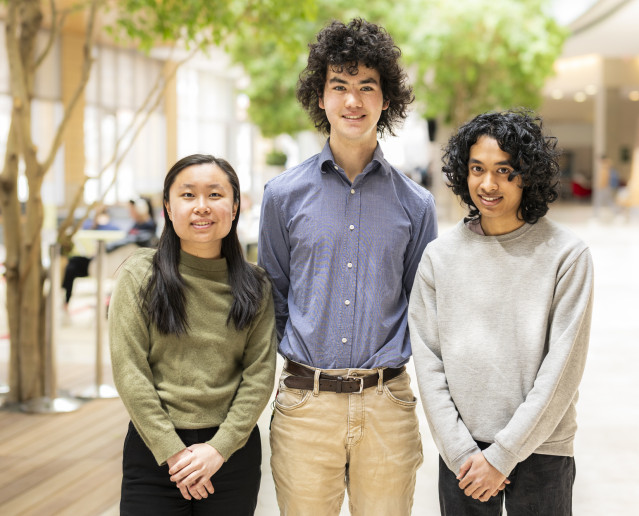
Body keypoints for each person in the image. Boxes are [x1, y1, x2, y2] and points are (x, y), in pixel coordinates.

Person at [258, 18, 437, 516]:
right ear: (321, 97)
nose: (353, 101)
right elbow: (273, 295)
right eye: (340, 87)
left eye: (366, 88)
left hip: (387, 405)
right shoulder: (282, 196)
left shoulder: (416, 205)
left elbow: (419, 307)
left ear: (387, 100)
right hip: (304, 405)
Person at [409, 110, 594, 515]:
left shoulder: (566, 254)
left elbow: (562, 369)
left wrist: (503, 455)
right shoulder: (439, 257)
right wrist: (460, 451)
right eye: (477, 169)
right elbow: (428, 361)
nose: (488, 184)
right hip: (463, 453)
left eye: (504, 171)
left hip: (543, 450)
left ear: (527, 175)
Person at [109, 154, 277, 515]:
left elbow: (259, 375)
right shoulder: (140, 275)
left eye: (215, 195)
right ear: (168, 208)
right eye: (188, 195)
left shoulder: (255, 284)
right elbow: (130, 371)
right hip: (154, 450)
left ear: (234, 207)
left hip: (231, 452)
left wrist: (218, 450)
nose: (202, 207)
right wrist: (173, 452)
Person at [61, 197, 157, 309]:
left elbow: (127, 242)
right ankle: (65, 299)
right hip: (109, 259)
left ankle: (65, 301)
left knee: (73, 266)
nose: (130, 213)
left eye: (132, 210)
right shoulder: (137, 226)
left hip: (109, 262)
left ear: (141, 209)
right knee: (72, 262)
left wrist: (102, 250)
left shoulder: (148, 228)